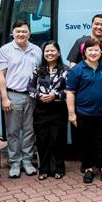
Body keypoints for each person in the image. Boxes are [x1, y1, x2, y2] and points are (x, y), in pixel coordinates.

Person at [66, 38, 102, 186]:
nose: (93, 53)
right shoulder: (77, 70)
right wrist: (71, 114)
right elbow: (70, 92)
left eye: (96, 50)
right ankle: (88, 169)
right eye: (90, 50)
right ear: (84, 52)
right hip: (83, 113)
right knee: (85, 142)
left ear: (101, 52)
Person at [0, 20, 42, 178]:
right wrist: (4, 97)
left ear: (29, 33)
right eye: (18, 31)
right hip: (12, 95)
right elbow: (0, 75)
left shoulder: (36, 50)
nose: (21, 34)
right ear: (13, 33)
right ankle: (14, 162)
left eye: (24, 31)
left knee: (29, 130)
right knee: (13, 131)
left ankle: (27, 161)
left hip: (31, 96)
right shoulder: (5, 50)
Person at [28, 41, 69, 180]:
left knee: (57, 140)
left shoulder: (65, 70)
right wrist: (39, 95)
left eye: (52, 51)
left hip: (58, 109)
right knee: (42, 140)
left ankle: (59, 168)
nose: (49, 53)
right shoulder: (38, 70)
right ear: (43, 53)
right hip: (41, 110)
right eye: (47, 51)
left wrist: (55, 95)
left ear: (58, 53)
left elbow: (70, 89)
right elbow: (30, 87)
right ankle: (44, 169)